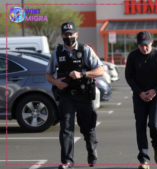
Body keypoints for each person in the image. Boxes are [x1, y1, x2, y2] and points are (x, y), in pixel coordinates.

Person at [45, 21, 104, 169]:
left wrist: (82, 73)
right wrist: (56, 82)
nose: (68, 37)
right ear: (61, 36)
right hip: (66, 96)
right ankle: (67, 161)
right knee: (66, 128)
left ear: (76, 34)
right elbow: (48, 74)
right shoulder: (57, 53)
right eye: (65, 34)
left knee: (87, 128)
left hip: (84, 95)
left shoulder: (86, 50)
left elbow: (100, 71)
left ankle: (92, 151)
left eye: (71, 34)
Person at [125, 31, 157, 169]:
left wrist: (155, 90)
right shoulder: (133, 56)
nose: (144, 48)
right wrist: (139, 93)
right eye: (140, 45)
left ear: (151, 42)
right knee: (140, 126)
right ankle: (144, 160)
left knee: (154, 124)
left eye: (146, 45)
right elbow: (129, 76)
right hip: (139, 96)